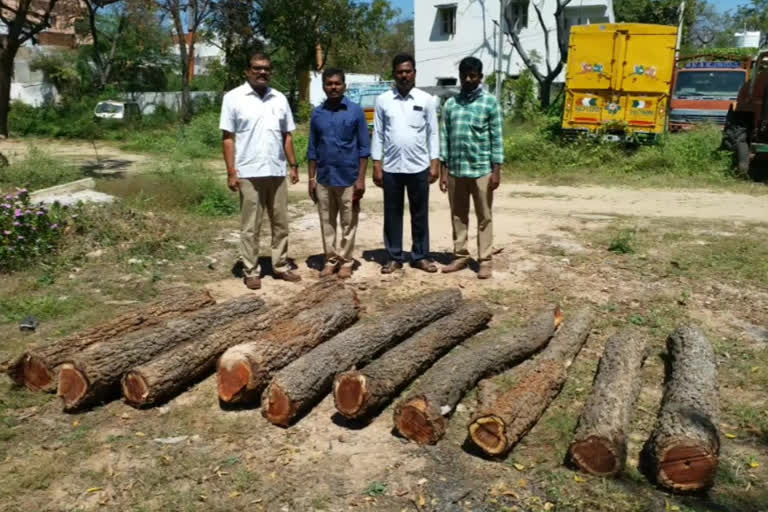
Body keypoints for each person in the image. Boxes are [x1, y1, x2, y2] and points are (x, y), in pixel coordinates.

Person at [220, 52, 302, 290]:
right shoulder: (233, 98)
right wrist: (231, 171)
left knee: (281, 223)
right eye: (257, 68)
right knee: (250, 226)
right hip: (248, 172)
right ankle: (251, 269)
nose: (262, 72)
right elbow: (228, 137)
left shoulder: (279, 98)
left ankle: (280, 266)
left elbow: (287, 135)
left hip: (276, 171)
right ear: (247, 71)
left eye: (266, 68)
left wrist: (293, 165)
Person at [371, 53, 440, 274]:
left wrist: (435, 161)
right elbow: (378, 133)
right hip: (391, 167)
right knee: (392, 214)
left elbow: (433, 133)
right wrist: (376, 163)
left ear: (414, 73)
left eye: (408, 71)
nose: (404, 75)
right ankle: (394, 256)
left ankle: (420, 255)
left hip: (418, 166)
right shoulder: (383, 100)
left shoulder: (425, 99)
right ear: (394, 74)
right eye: (400, 71)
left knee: (420, 213)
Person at [439, 56, 503, 280]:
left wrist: (496, 171)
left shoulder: (489, 103)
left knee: (484, 216)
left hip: (481, 171)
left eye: (472, 76)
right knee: (458, 215)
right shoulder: (451, 104)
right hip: (456, 171)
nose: (468, 79)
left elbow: (497, 138)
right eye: (464, 76)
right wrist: (443, 173)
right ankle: (460, 255)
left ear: (480, 77)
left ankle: (485, 260)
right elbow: (444, 138)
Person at [307, 68, 370, 279]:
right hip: (324, 177)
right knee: (327, 221)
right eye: (329, 84)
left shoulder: (355, 112)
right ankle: (331, 259)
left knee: (348, 221)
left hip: (348, 177)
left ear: (344, 85)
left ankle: (346, 261)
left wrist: (361, 179)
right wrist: (311, 179)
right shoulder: (317, 114)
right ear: (324, 86)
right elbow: (312, 149)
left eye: (337, 83)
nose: (333, 87)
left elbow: (364, 148)